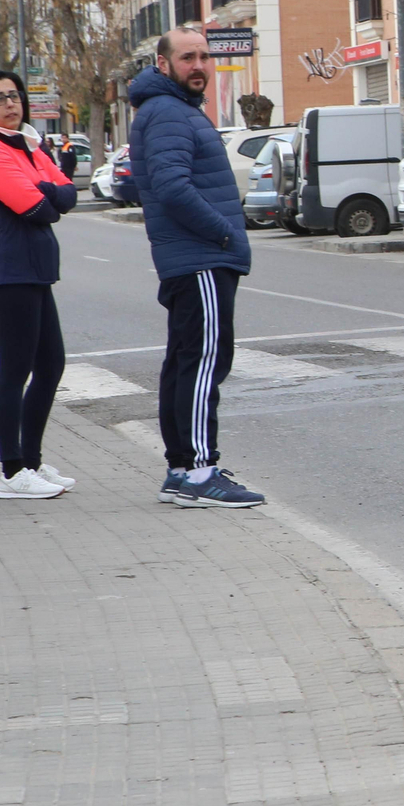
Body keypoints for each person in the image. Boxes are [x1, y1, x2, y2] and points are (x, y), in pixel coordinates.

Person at [129, 26, 264, 509]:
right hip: (201, 257)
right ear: (162, 64)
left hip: (192, 258)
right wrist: (224, 232)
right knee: (205, 361)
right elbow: (171, 185)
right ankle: (201, 472)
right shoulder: (168, 111)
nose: (199, 66)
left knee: (185, 362)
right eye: (188, 57)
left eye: (204, 56)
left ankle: (182, 469)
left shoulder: (173, 110)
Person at [0, 70, 77, 499]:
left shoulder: (26, 144)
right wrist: (45, 192)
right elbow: (39, 209)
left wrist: (45, 189)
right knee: (15, 371)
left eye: (14, 95)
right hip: (8, 270)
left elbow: (66, 196)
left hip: (36, 268)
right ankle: (11, 473)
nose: (11, 104)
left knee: (51, 366)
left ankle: (31, 460)